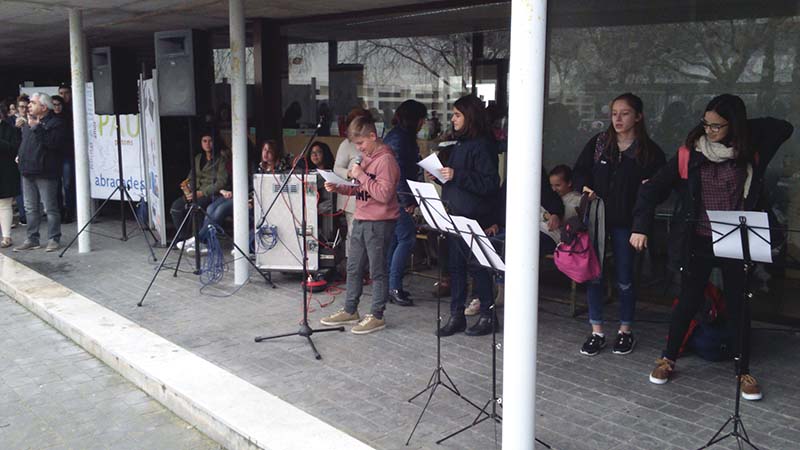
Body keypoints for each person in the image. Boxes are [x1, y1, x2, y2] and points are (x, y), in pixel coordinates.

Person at [630, 94, 793, 400]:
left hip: (735, 235)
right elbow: (652, 189)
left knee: (738, 302)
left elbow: (783, 127)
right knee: (688, 299)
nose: (709, 131)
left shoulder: (750, 151)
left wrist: (740, 127)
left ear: (735, 125)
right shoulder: (690, 153)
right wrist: (640, 226)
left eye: (717, 126)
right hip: (698, 237)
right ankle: (668, 358)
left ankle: (743, 369)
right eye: (706, 124)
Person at [572, 93, 666, 356]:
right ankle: (597, 331)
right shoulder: (600, 143)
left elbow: (662, 189)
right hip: (598, 220)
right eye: (614, 113)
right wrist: (584, 187)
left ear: (638, 116)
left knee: (626, 278)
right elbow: (579, 171)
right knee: (594, 275)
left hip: (628, 223)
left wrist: (646, 204)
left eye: (625, 113)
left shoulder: (649, 152)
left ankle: (625, 330)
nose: (618, 119)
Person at [320, 116, 400, 335]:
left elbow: (383, 194)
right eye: (356, 144)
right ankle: (350, 309)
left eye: (361, 143)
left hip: (380, 221)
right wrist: (339, 187)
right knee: (353, 266)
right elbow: (359, 187)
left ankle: (377, 315)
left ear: (373, 136)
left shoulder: (386, 161)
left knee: (377, 270)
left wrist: (361, 175)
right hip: (361, 217)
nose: (359, 148)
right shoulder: (365, 158)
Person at [428, 95, 501, 337]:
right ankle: (457, 315)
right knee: (456, 267)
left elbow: (490, 183)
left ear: (470, 117)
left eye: (457, 115)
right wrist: (441, 177)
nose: (453, 119)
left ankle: (488, 316)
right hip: (455, 213)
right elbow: (457, 179)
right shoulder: (460, 143)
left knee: (478, 267)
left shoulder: (483, 145)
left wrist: (456, 175)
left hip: (474, 216)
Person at [384, 99, 427, 307]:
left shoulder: (396, 136)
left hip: (392, 196)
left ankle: (388, 286)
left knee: (395, 239)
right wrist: (407, 200)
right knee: (406, 238)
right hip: (398, 197)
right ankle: (394, 286)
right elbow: (398, 173)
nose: (424, 123)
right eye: (422, 119)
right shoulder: (401, 140)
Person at [14, 93, 66, 252]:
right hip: (27, 170)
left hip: (45, 171)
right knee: (30, 208)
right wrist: (20, 155)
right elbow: (26, 143)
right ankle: (32, 239)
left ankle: (54, 238)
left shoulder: (56, 123)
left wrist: (37, 127)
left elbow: (53, 144)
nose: (29, 105)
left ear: (43, 107)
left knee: (50, 208)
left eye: (33, 103)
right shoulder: (28, 122)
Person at [169, 132, 229, 242]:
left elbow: (221, 182)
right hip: (195, 192)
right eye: (204, 141)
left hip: (210, 193)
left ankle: (198, 240)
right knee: (175, 208)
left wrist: (202, 192)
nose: (207, 144)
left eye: (210, 141)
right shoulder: (198, 158)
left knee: (196, 208)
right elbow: (191, 176)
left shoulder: (220, 159)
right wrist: (188, 187)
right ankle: (184, 238)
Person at [333, 108, 372, 256]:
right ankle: (352, 263)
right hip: (352, 197)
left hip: (370, 195)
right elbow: (337, 168)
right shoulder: (347, 144)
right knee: (353, 233)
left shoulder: (374, 142)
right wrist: (350, 174)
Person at [0, 104, 21, 248]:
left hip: (5, 171)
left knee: (4, 204)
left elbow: (14, 148)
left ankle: (6, 236)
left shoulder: (10, 129)